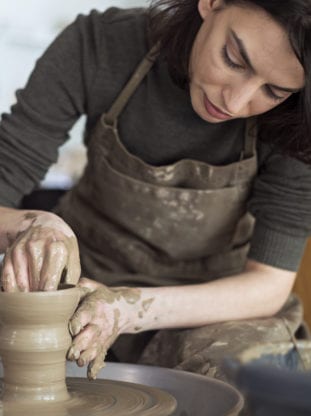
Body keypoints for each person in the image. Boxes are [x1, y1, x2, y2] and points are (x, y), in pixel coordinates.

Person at [0, 0, 310, 383]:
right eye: (233, 59)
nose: (236, 101)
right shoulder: (102, 44)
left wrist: (129, 310)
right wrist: (34, 223)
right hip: (81, 285)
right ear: (211, 3)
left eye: (274, 90)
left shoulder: (298, 121)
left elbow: (268, 284)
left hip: (213, 305)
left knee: (254, 381)